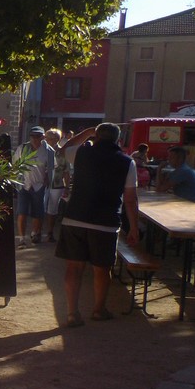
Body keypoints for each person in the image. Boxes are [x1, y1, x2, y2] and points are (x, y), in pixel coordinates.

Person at [56, 123, 141, 327]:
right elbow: (130, 198)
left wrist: (85, 132)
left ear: (96, 137)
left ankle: (71, 313)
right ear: (117, 140)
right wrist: (134, 228)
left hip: (75, 217)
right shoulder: (127, 162)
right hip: (106, 222)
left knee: (74, 267)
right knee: (102, 269)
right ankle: (98, 310)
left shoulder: (80, 153)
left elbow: (63, 149)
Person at [15, 126, 55, 248]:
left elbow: (51, 168)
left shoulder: (49, 151)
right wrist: (17, 181)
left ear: (43, 137)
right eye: (33, 136)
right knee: (22, 212)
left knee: (38, 213)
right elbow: (15, 164)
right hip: (24, 184)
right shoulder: (23, 148)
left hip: (39, 185)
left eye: (38, 136)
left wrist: (47, 181)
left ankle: (34, 233)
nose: (35, 139)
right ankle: (22, 238)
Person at [44, 128, 66, 242]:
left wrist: (66, 188)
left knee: (52, 209)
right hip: (42, 182)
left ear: (56, 139)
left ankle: (50, 233)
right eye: (45, 138)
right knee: (39, 207)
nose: (46, 140)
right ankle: (36, 232)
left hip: (56, 183)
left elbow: (66, 170)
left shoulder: (62, 152)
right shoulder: (42, 150)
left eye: (48, 138)